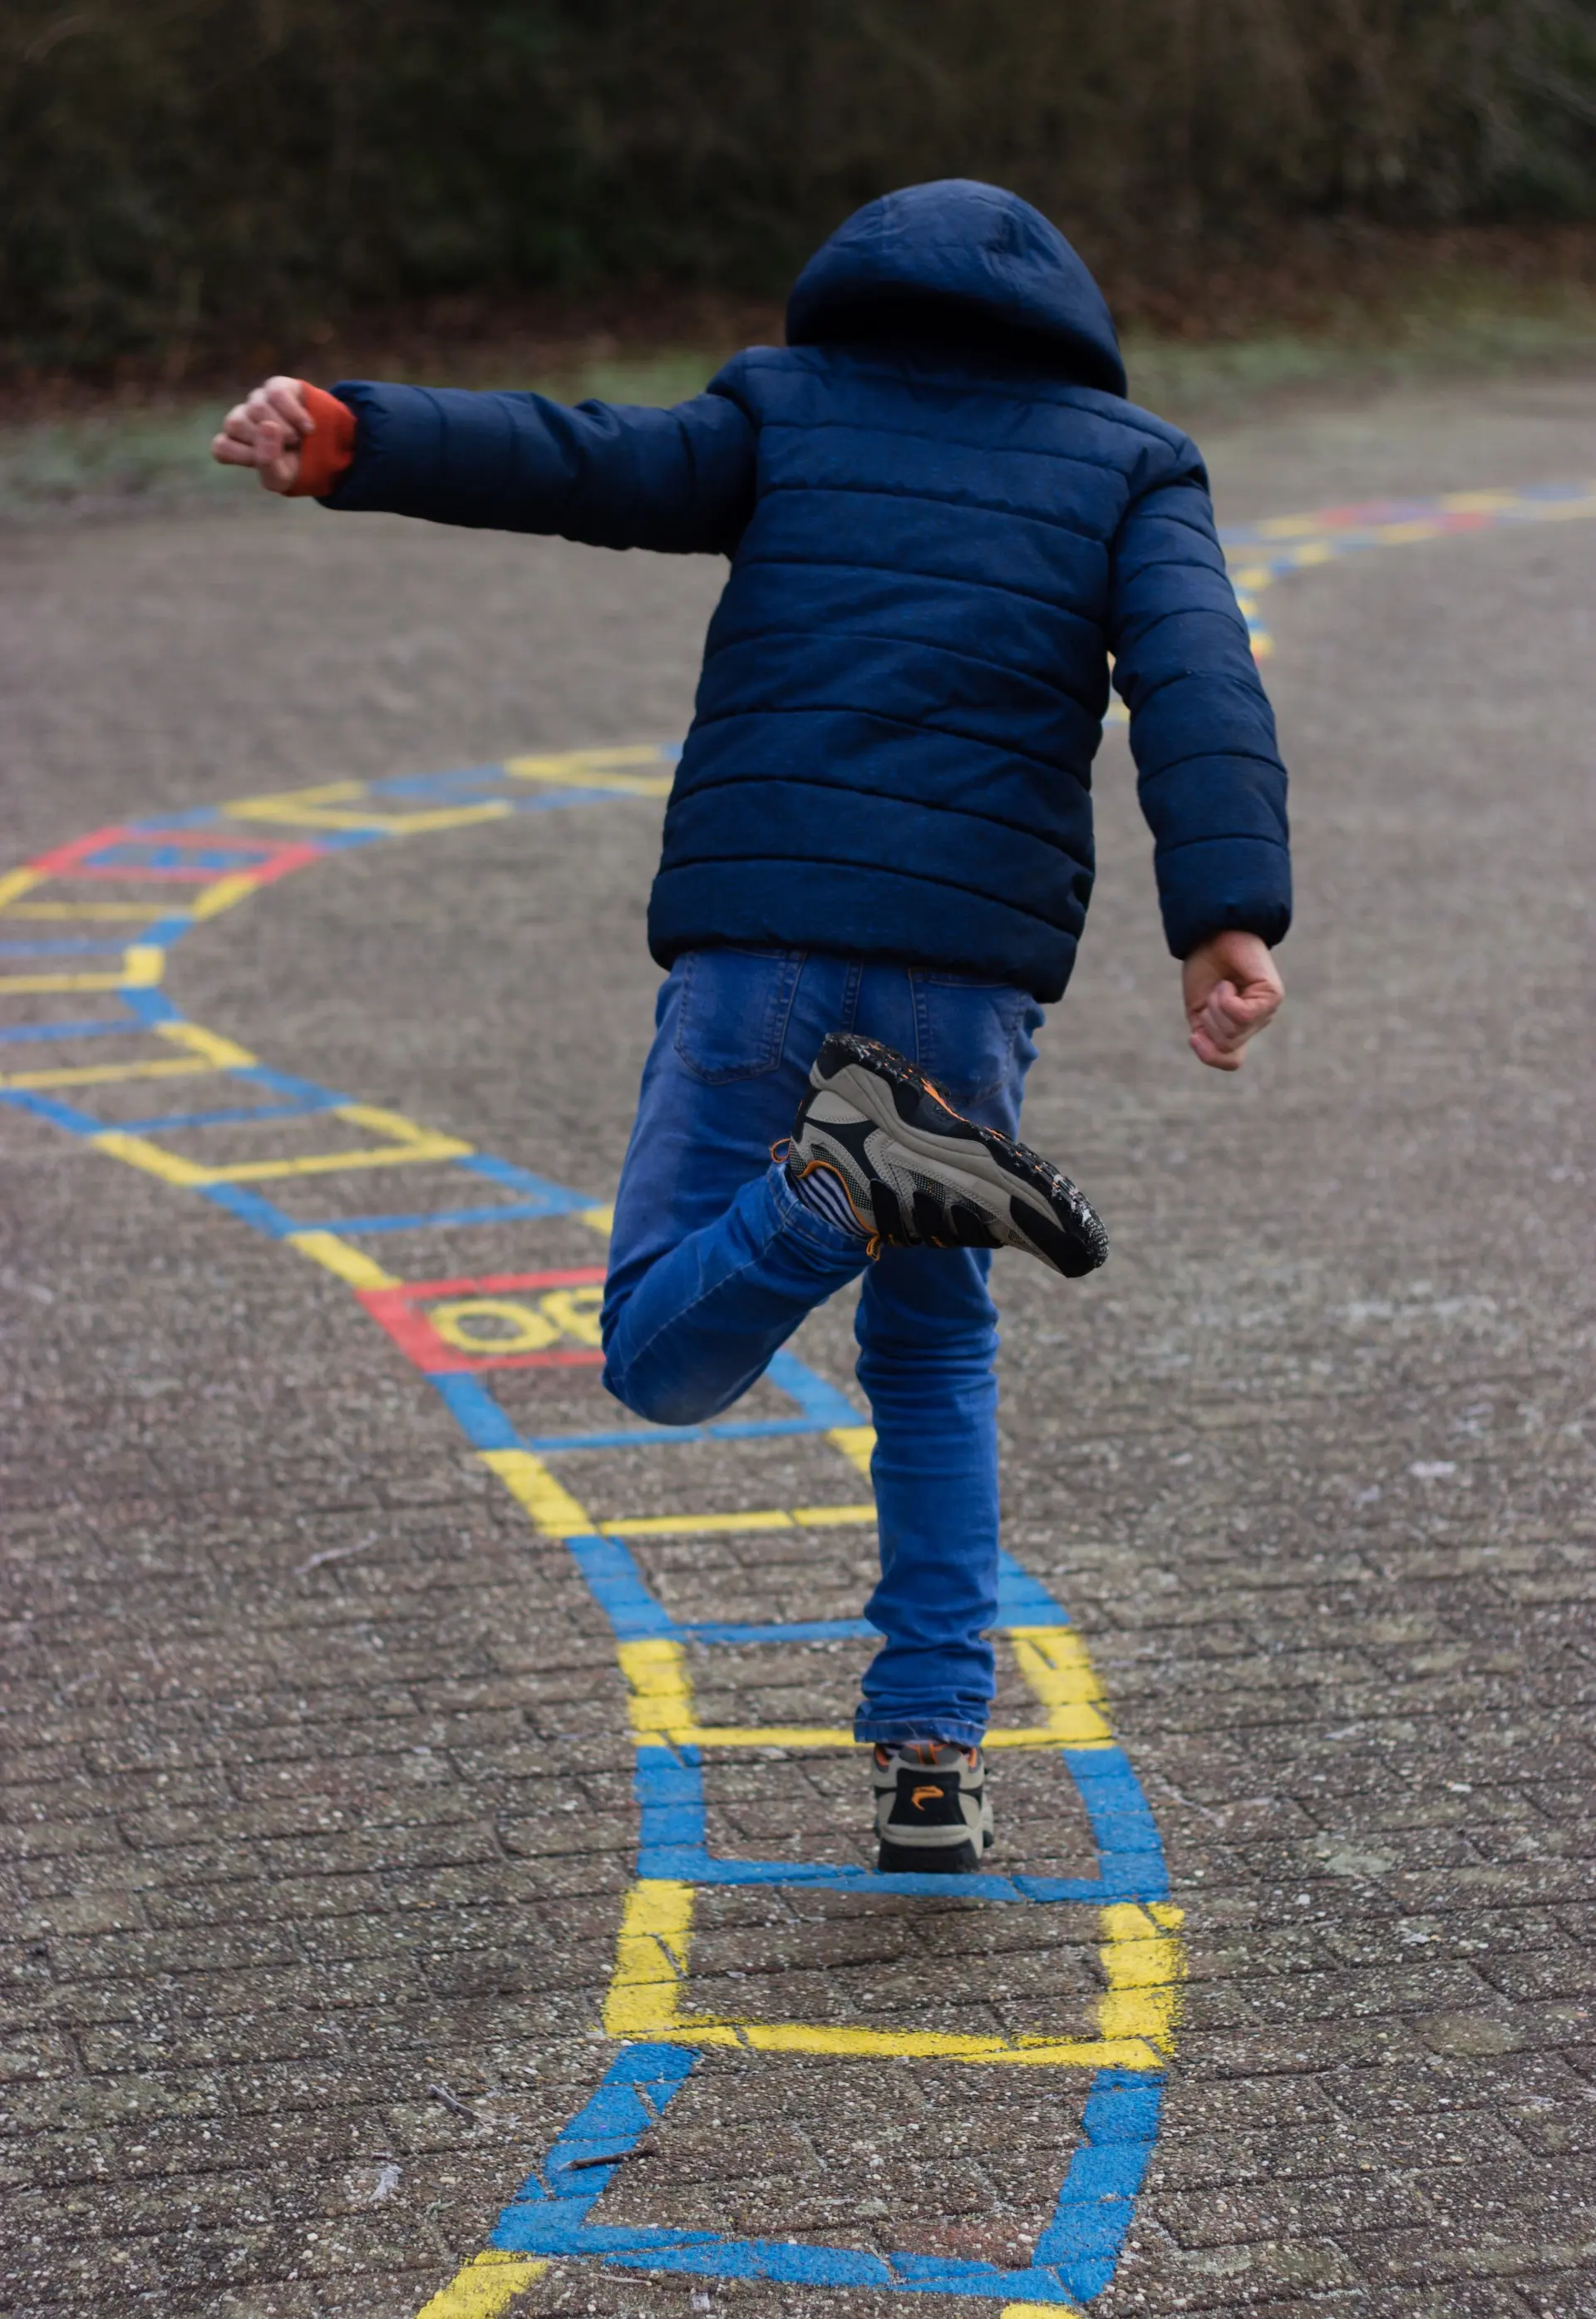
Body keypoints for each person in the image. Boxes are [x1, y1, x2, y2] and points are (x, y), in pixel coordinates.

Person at [213, 179, 1288, 1874]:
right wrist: (1227, 914)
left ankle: (828, 1192)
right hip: (963, 980)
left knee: (656, 1356)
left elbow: (580, 461)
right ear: (1068, 322)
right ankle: (932, 1757)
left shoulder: (785, 410)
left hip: (758, 951)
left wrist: (354, 433)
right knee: (932, 1355)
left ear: (857, 286)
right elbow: (1200, 679)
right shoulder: (1130, 464)